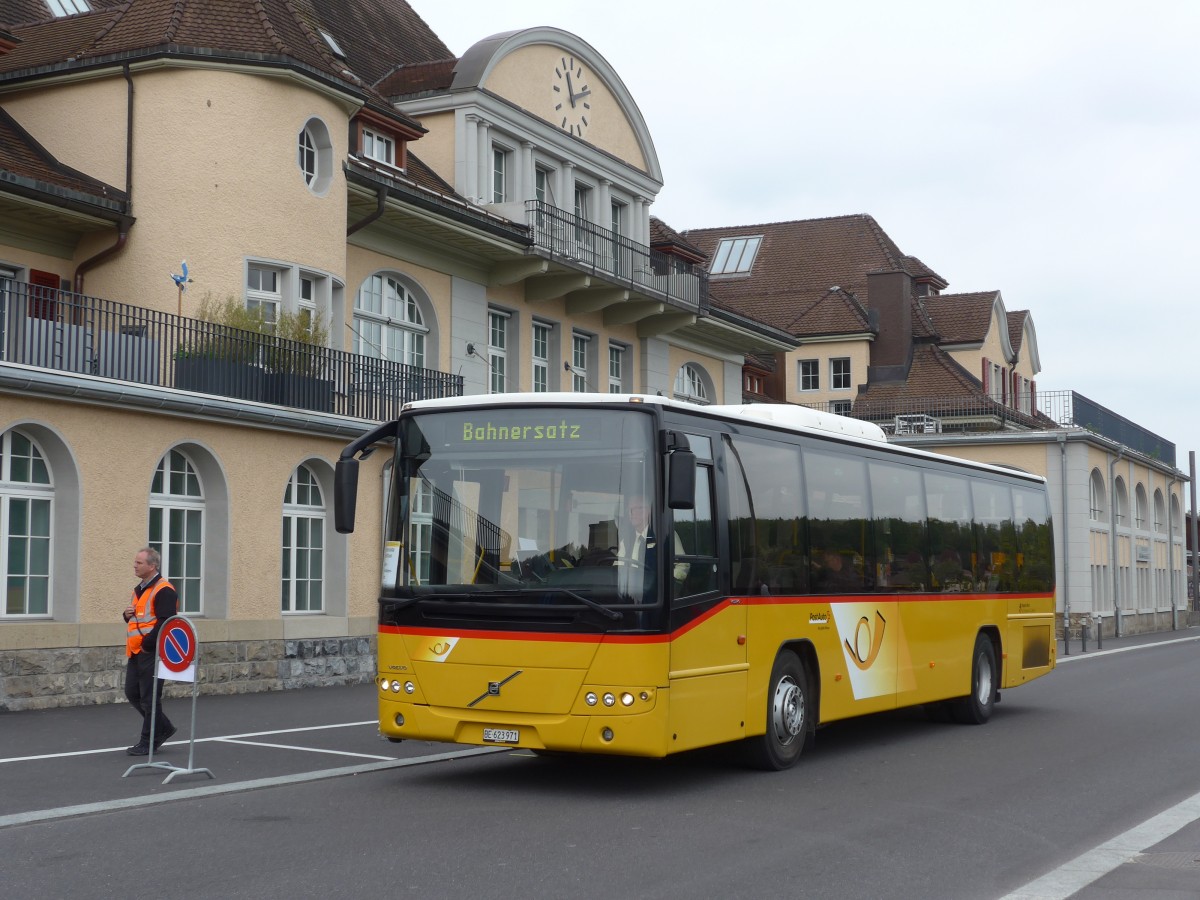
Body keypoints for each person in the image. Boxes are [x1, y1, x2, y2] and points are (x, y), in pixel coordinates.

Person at [122, 547, 178, 756]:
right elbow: (141, 618)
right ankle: (163, 727)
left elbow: (166, 622)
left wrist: (148, 644)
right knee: (133, 693)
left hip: (152, 651)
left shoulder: (164, 590)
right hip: (137, 651)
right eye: (135, 562)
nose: (135, 565)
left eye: (139, 563)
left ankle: (149, 741)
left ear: (152, 566)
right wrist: (127, 615)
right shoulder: (141, 589)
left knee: (149, 697)